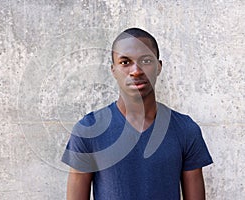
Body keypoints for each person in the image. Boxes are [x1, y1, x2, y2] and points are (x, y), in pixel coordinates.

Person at [61, 27, 213, 200]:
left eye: (146, 60)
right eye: (125, 62)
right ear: (113, 70)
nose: (136, 70)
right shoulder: (88, 130)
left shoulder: (185, 130)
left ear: (159, 66)